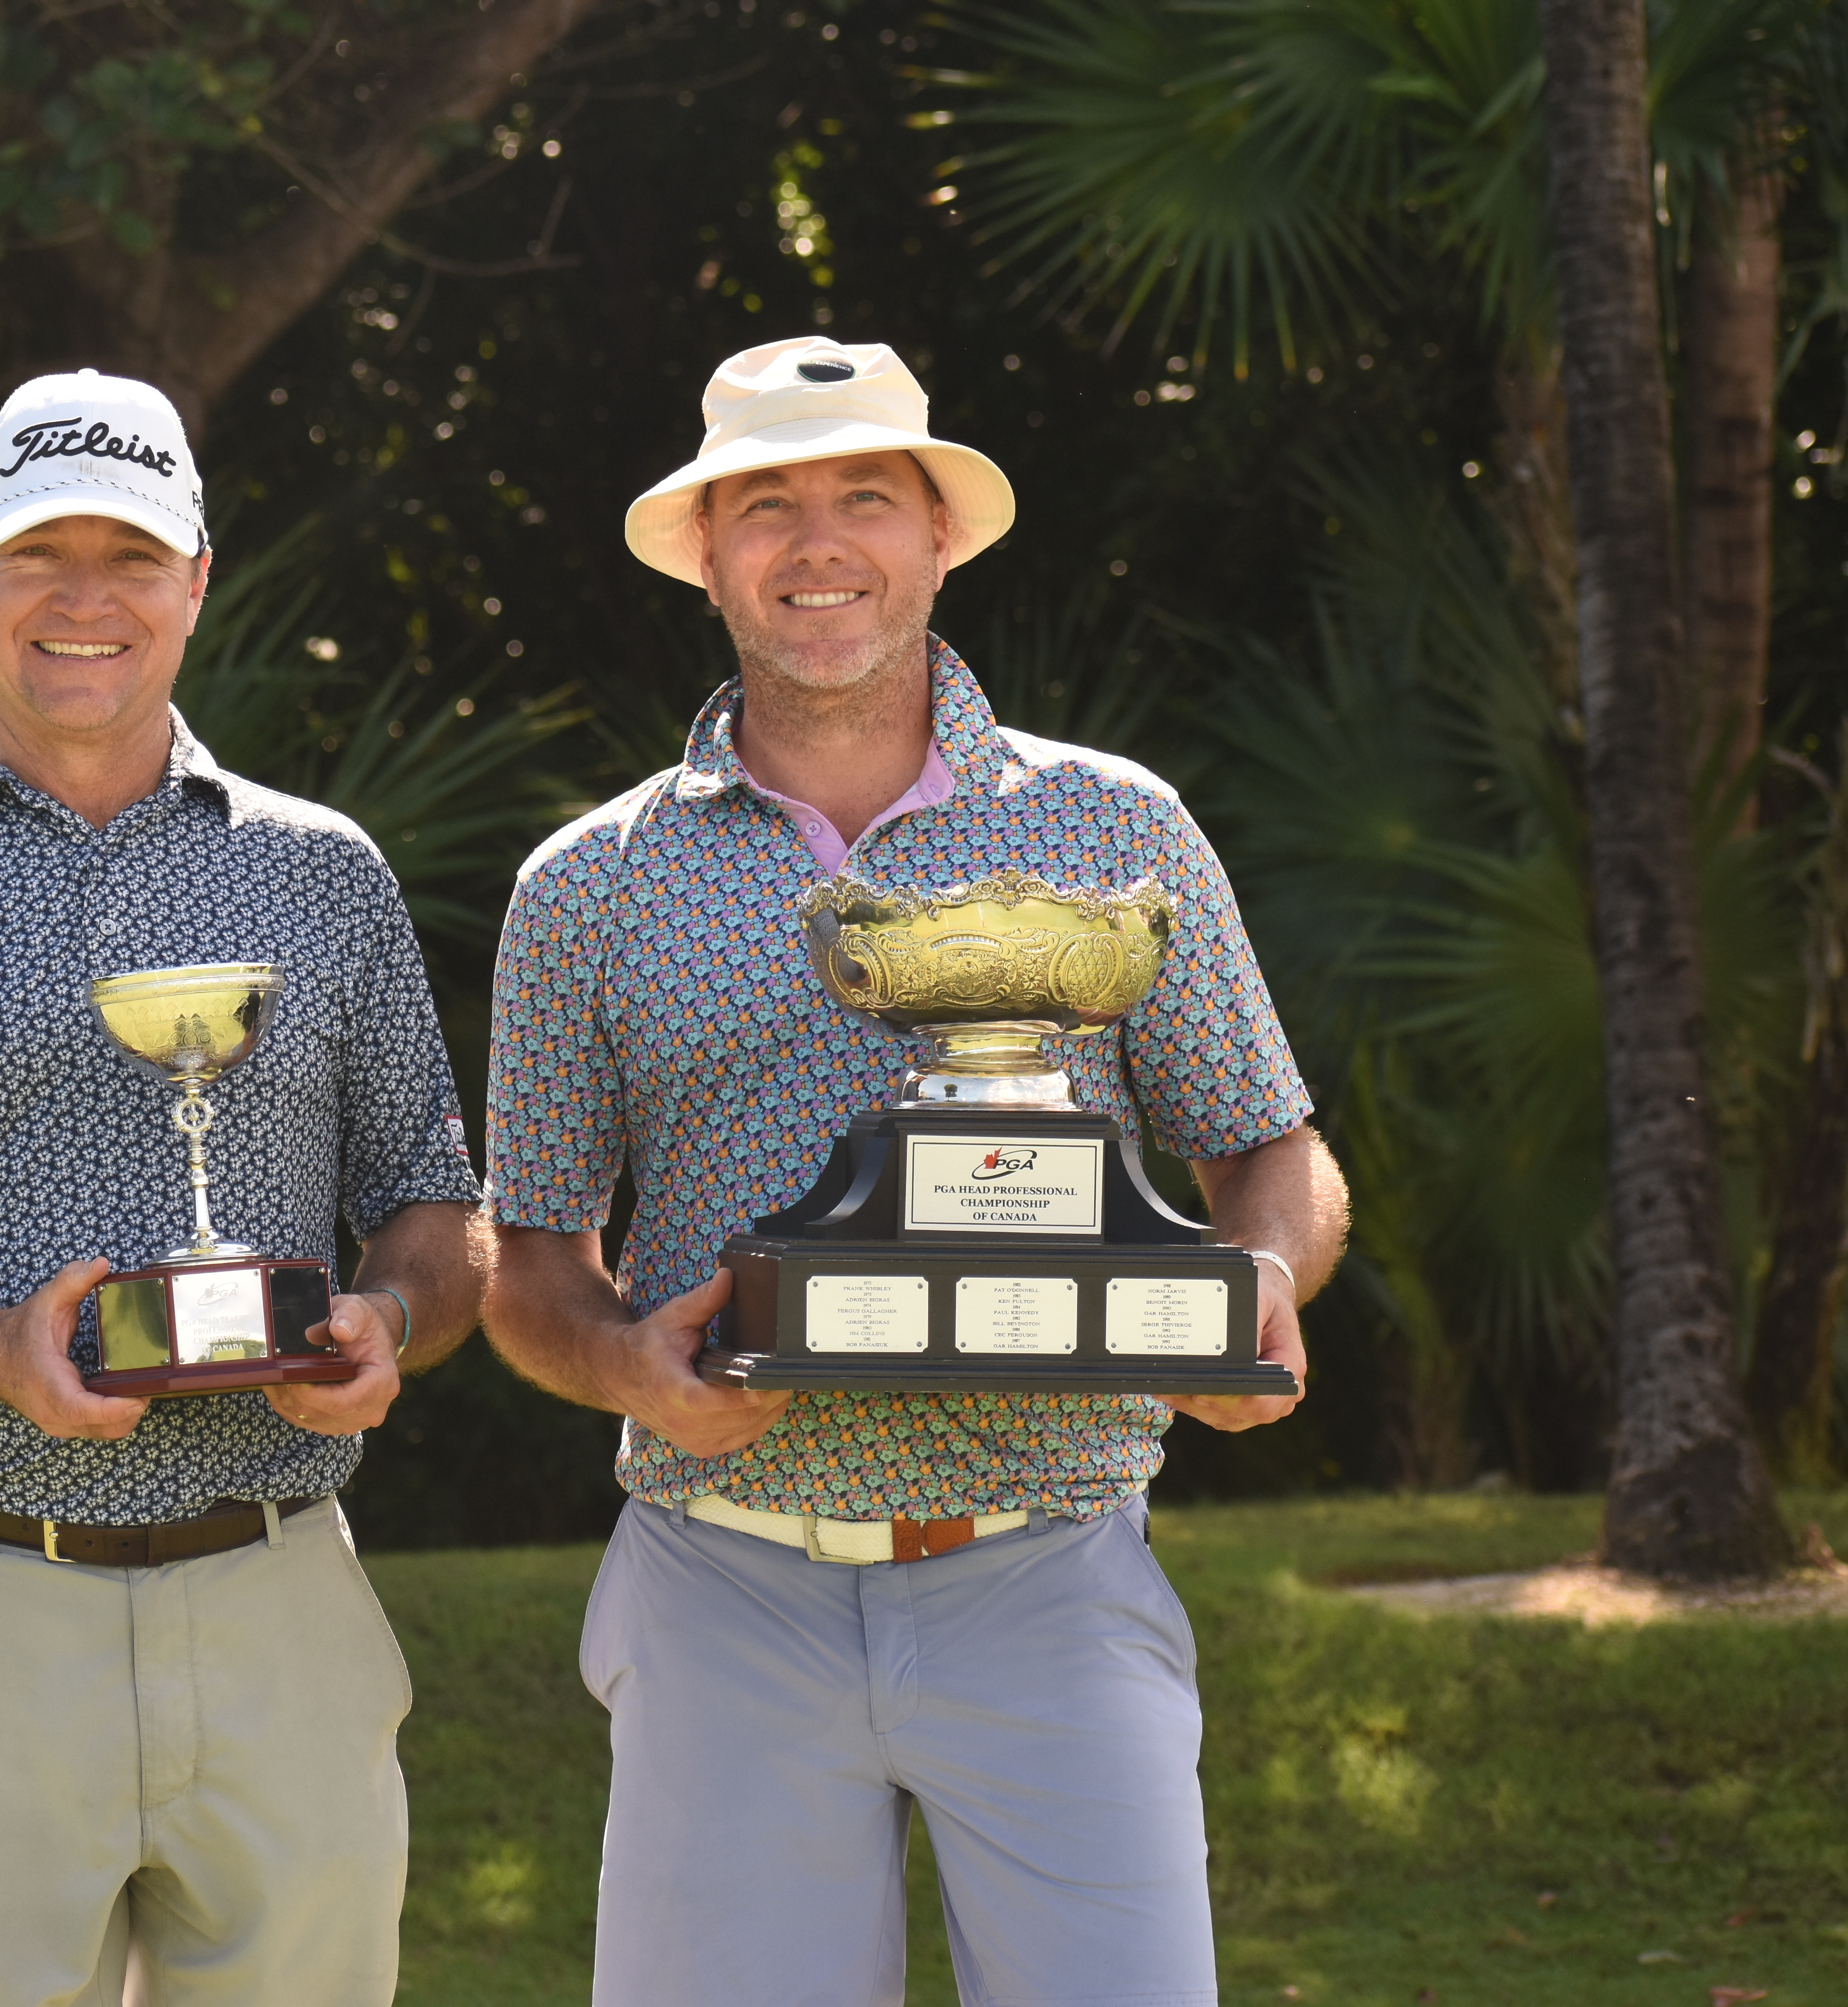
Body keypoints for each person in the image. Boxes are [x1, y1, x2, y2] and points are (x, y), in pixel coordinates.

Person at [480, 336, 1349, 2007]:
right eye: (768, 509)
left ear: (938, 533)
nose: (819, 548)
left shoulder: (1120, 832)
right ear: (710, 555)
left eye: (864, 497)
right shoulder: (586, 884)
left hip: (1052, 1564)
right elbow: (531, 1259)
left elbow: (1269, 1147)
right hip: (720, 1579)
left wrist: (1254, 1291)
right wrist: (625, 1370)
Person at [0, 367, 490, 2007]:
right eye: (38, 550)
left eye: (129, 555)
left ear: (195, 582)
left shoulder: (322, 874)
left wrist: (393, 1316)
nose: (84, 597)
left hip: (281, 1595)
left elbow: (433, 1197)